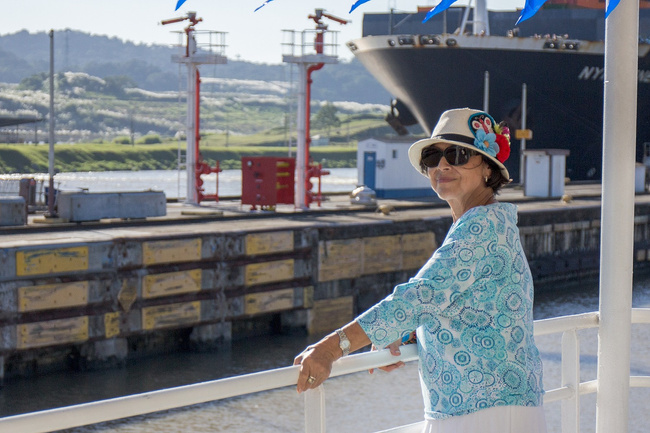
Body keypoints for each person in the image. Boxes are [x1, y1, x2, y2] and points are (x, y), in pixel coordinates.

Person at [294, 108, 546, 432]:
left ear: (488, 168)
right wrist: (410, 332)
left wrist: (331, 348)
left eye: (457, 154)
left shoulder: (482, 228)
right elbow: (461, 304)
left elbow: (418, 296)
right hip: (489, 408)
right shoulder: (486, 223)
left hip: (486, 412)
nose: (442, 165)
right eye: (432, 156)